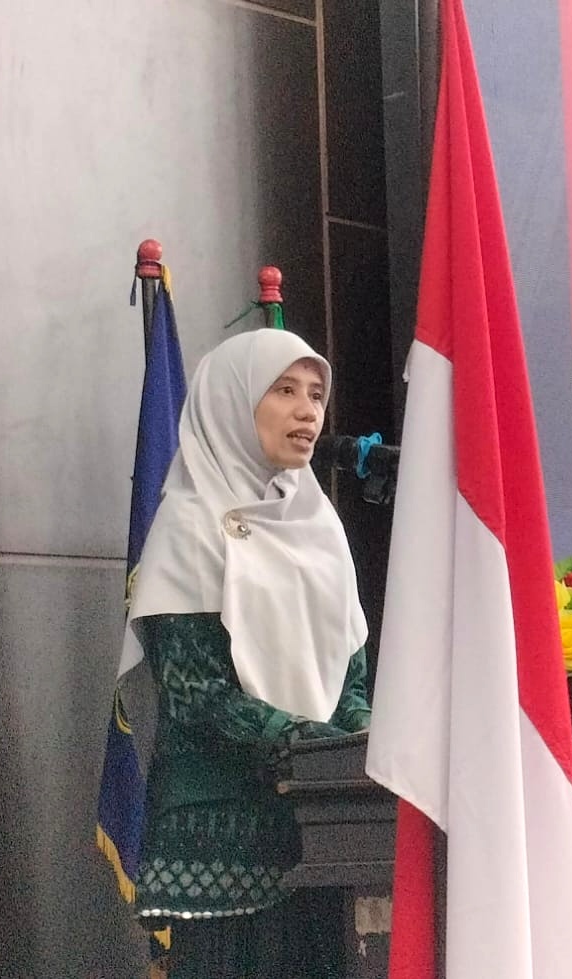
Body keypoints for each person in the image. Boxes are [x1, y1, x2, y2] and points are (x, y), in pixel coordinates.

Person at [122, 328, 370, 978]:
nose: (307, 411)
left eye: (315, 394)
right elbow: (197, 695)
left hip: (328, 830)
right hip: (222, 836)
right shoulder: (188, 524)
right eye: (284, 390)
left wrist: (363, 739)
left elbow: (350, 673)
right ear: (232, 401)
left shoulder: (318, 524)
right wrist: (319, 746)